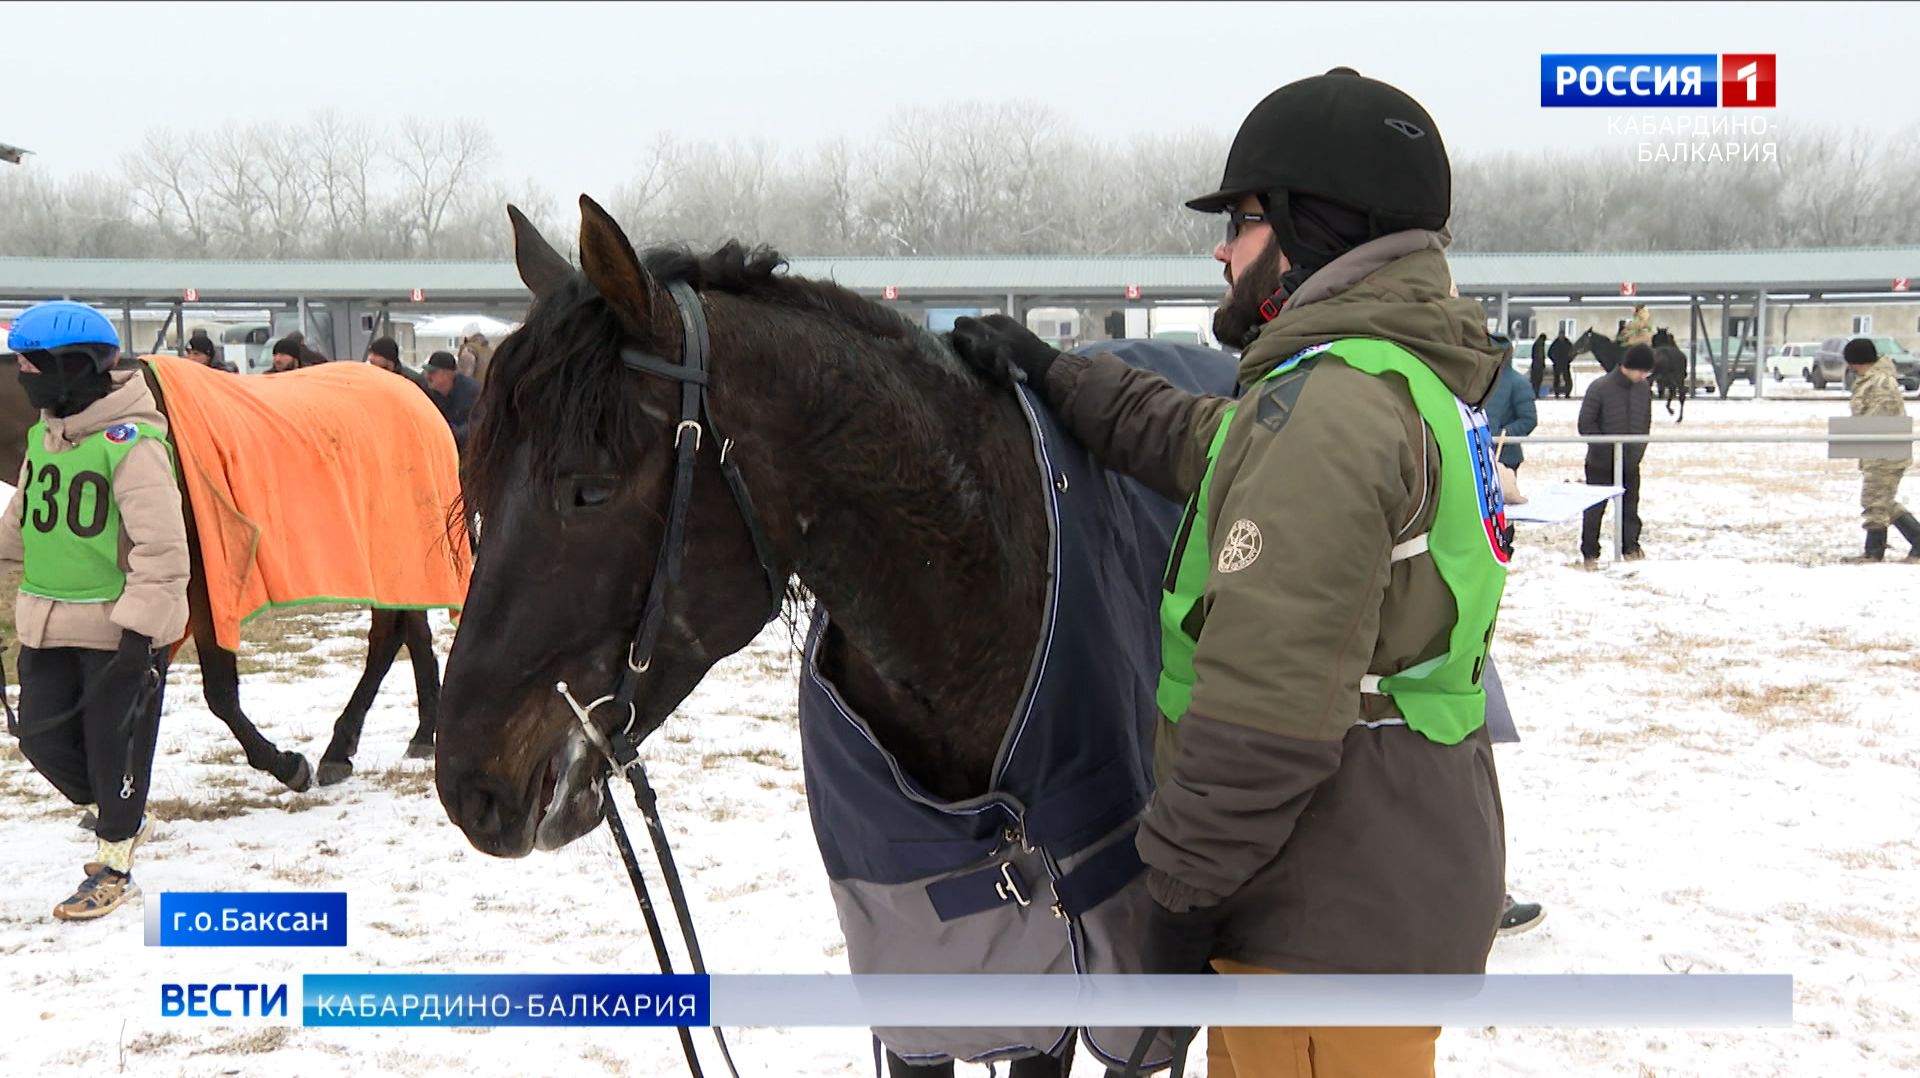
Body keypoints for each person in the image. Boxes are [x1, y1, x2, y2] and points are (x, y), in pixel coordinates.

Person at [949, 67, 1508, 1077]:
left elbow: (1267, 715)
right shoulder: (1389, 381)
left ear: (1316, 227)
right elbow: (1216, 443)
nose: (1221, 245)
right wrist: (1059, 373)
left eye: (1246, 218)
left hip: (1318, 924)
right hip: (1379, 878)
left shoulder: (1335, 411)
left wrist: (1178, 900)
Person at [0, 300, 189, 921]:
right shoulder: (42, 438)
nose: (21, 374)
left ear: (74, 368)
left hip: (116, 635)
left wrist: (141, 636)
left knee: (115, 749)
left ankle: (115, 864)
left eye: (31, 364)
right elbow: (22, 526)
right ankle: (121, 809)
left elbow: (163, 551)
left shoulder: (133, 446)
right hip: (45, 623)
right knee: (40, 738)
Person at [1578, 343, 1655, 566]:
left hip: (1631, 463)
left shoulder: (1643, 389)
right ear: (1628, 367)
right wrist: (1608, 450)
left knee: (1630, 508)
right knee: (1595, 510)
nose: (1644, 376)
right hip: (1600, 464)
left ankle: (1630, 546)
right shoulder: (1599, 388)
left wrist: (1637, 451)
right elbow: (1586, 424)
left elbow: (1645, 423)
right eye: (1641, 371)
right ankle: (1590, 552)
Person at [1844, 337, 1920, 560]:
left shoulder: (1880, 383)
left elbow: (1877, 419)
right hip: (1876, 449)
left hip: (1884, 451)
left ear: (1854, 361)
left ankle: (1874, 552)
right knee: (1883, 500)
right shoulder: (1870, 380)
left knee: (1874, 501)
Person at [1483, 344, 1537, 548]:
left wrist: (1503, 435)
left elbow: (1528, 419)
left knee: (1504, 502)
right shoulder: (1477, 380)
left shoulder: (1518, 382)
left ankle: (1504, 543)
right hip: (1477, 452)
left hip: (1506, 456)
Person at [424, 350, 480, 451]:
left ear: (447, 374)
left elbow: (478, 426)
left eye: (432, 372)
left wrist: (450, 433)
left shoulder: (472, 392)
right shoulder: (428, 393)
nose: (427, 376)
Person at [365, 336, 431, 397]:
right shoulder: (372, 377)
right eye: (370, 353)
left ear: (388, 358)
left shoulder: (411, 380)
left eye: (376, 355)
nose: (370, 358)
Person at [1549, 328, 1574, 399]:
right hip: (1557, 364)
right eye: (1560, 334)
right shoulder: (1555, 343)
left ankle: (1567, 393)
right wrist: (1554, 360)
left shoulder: (1567, 343)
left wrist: (1569, 360)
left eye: (1562, 334)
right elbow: (1549, 353)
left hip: (1565, 364)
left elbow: (1573, 352)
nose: (1561, 336)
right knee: (1556, 379)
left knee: (1567, 379)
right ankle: (1556, 393)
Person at [1529, 333, 1548, 398]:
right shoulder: (1539, 345)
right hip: (1538, 366)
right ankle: (1535, 394)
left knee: (1535, 380)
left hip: (1535, 365)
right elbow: (1540, 356)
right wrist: (1542, 364)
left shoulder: (1537, 344)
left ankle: (1535, 393)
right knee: (1537, 380)